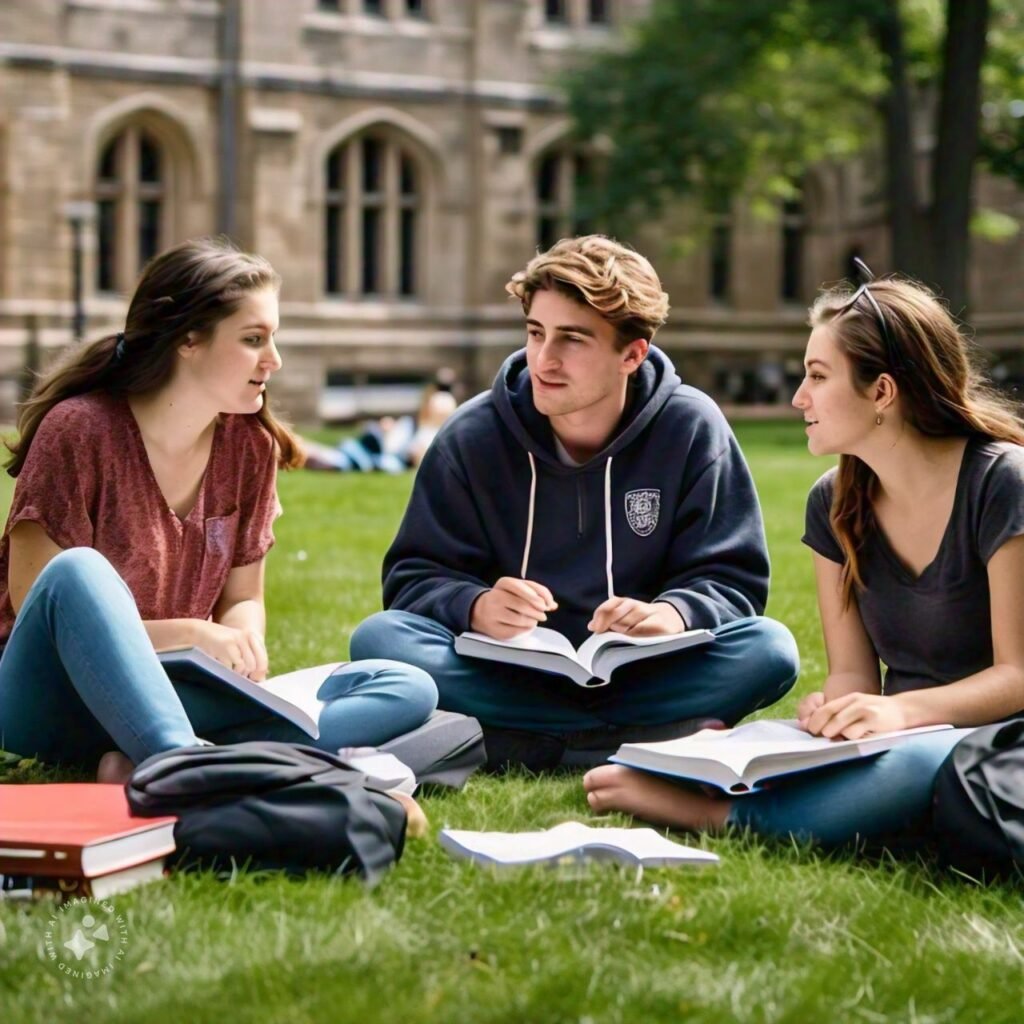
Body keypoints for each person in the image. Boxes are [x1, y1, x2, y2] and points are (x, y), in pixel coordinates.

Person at [584, 263, 1024, 846]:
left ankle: (723, 817)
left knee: (927, 767)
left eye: (817, 376)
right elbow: (853, 675)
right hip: (903, 733)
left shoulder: (1002, 484)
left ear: (883, 392)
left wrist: (900, 712)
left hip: (995, 741)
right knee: (803, 742)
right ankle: (720, 778)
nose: (799, 397)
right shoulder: (834, 503)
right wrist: (833, 710)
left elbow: (1017, 677)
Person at [0, 238, 437, 806]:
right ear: (188, 340)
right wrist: (194, 633)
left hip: (178, 685)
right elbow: (42, 602)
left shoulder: (247, 446)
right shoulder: (80, 431)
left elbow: (243, 597)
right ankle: (191, 770)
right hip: (49, 696)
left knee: (407, 687)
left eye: (272, 338)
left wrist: (243, 641)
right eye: (254, 339)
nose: (273, 359)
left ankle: (152, 756)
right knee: (79, 572)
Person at [351, 235, 799, 767]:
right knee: (381, 638)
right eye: (536, 333)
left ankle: (519, 741)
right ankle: (634, 738)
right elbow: (412, 578)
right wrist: (475, 605)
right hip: (506, 672)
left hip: (645, 674)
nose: (544, 359)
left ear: (632, 355)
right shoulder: (472, 434)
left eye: (573, 340)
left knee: (769, 649)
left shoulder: (692, 427)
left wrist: (673, 615)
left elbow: (733, 580)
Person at [301, 368, 458, 473]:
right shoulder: (417, 426)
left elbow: (419, 452)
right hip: (380, 447)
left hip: (381, 452)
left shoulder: (435, 417)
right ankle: (295, 448)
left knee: (329, 456)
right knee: (327, 454)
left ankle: (294, 449)